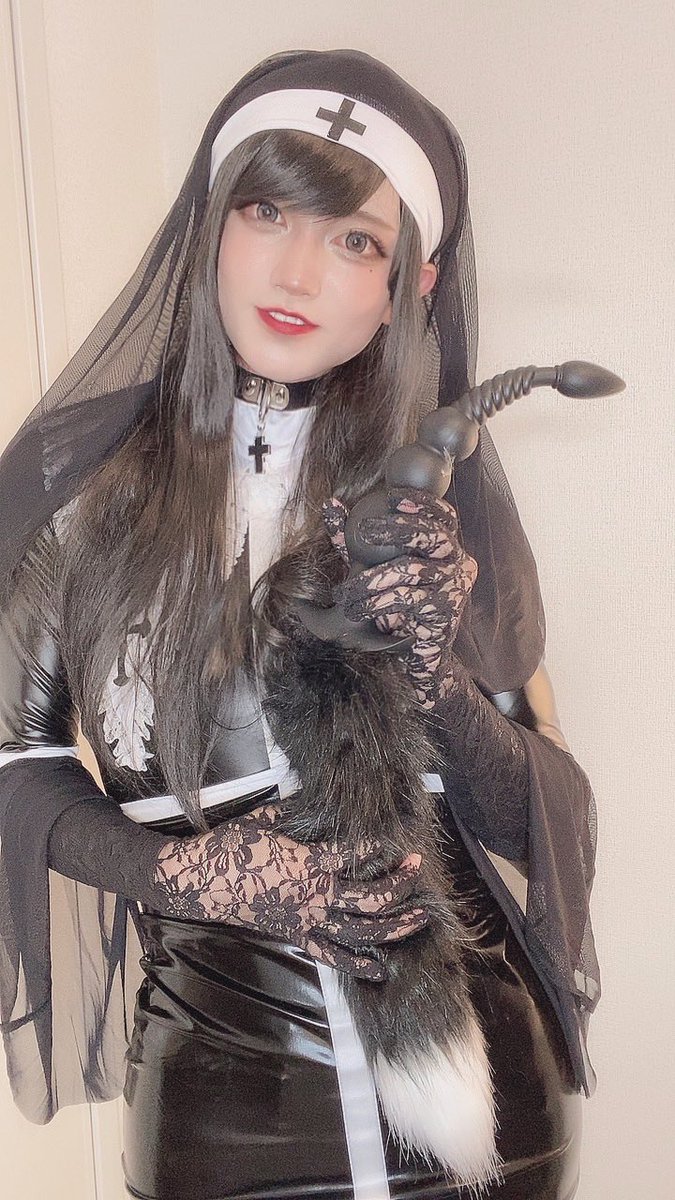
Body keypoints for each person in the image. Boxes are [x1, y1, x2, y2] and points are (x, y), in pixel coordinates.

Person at [0, 49, 600, 1200]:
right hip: (222, 1106)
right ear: (210, 222)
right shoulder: (79, 478)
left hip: (490, 1111)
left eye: (356, 241)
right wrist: (184, 876)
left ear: (413, 284)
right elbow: (13, 761)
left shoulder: (443, 497)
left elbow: (541, 810)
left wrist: (434, 679)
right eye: (266, 213)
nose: (297, 270)